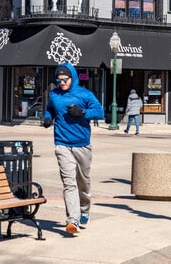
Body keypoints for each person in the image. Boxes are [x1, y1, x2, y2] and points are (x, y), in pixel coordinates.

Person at [43, 62, 104, 235]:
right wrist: (48, 118)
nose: (62, 82)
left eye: (65, 79)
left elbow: (100, 112)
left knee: (83, 182)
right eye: (59, 79)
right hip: (62, 144)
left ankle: (85, 210)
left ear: (72, 78)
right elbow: (50, 109)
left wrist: (83, 113)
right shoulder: (54, 94)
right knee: (69, 183)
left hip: (82, 145)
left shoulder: (85, 94)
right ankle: (73, 220)